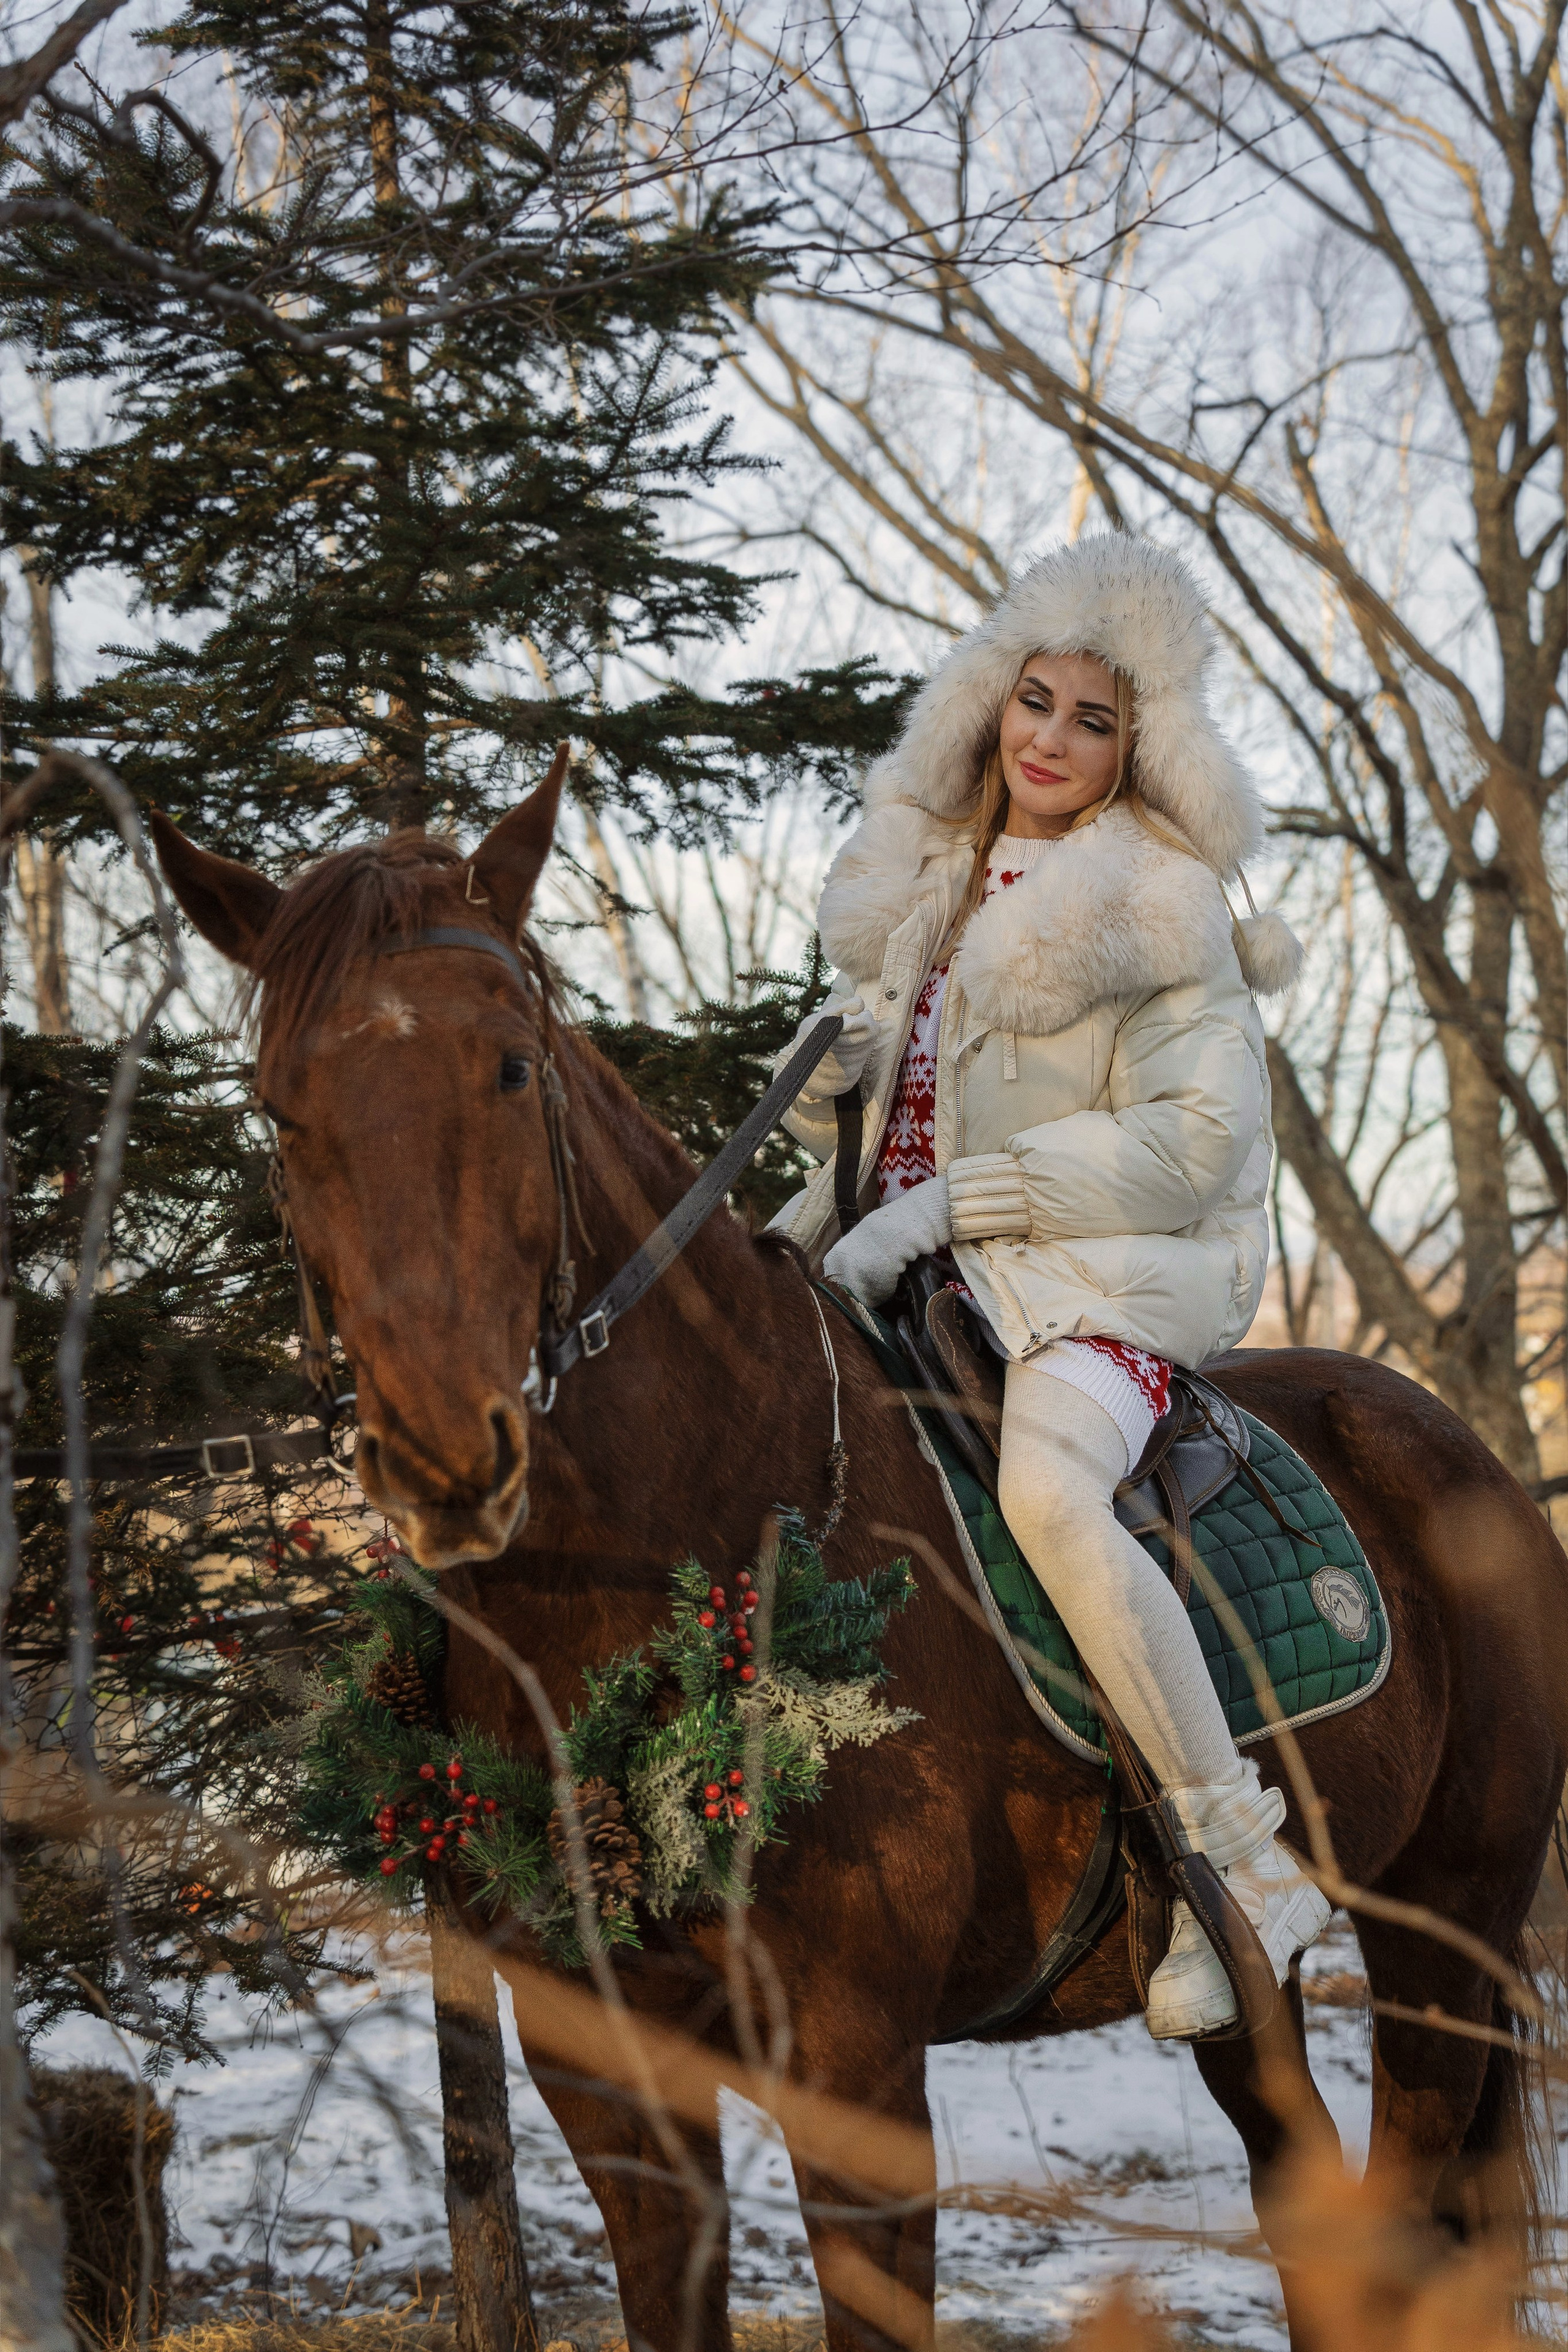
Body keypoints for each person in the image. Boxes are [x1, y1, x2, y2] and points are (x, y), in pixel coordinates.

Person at [771, 533, 1328, 2040]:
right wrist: (815, 1159)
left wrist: (957, 1204)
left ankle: (1238, 1862)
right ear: (984, 704)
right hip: (915, 1263)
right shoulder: (931, 883)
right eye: (1034, 701)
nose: (1054, 741)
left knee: (1046, 1497)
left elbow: (1195, 1147)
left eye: (1096, 719)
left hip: (1105, 1278)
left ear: (1139, 745)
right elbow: (894, 1136)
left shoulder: (1160, 900)